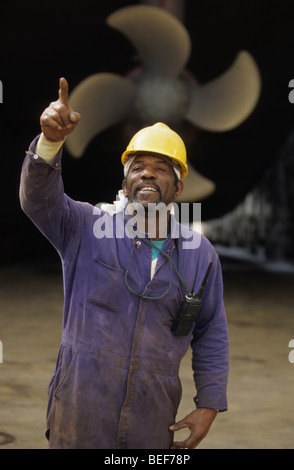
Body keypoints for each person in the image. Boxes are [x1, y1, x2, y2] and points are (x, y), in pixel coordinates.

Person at [19, 77, 229, 450]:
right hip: (80, 410)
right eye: (139, 166)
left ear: (178, 188)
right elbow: (38, 200)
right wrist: (51, 143)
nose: (148, 172)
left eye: (162, 168)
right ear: (125, 181)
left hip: (154, 416)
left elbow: (211, 331)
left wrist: (209, 403)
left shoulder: (200, 253)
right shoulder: (84, 227)